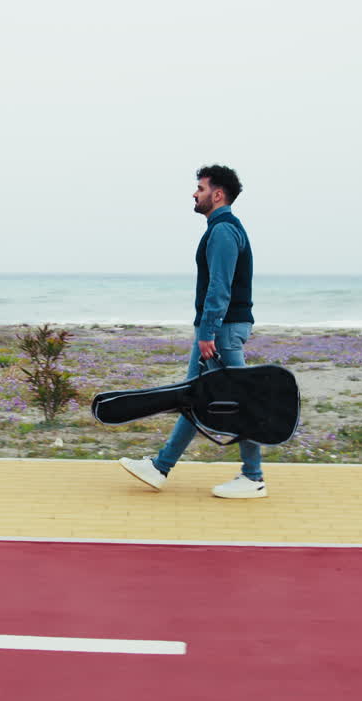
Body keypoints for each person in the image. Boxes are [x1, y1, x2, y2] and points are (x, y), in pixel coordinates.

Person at [118, 165, 265, 499]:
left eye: (199, 188)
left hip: (222, 331)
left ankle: (253, 477)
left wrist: (208, 332)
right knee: (193, 398)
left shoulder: (224, 231)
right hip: (220, 328)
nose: (194, 193)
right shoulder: (221, 229)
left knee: (239, 402)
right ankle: (160, 466)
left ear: (217, 194)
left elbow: (220, 287)